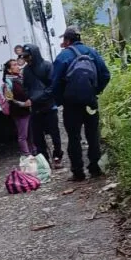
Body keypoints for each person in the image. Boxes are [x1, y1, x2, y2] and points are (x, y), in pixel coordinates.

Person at [51, 27, 110, 181]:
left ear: (68, 40)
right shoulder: (92, 52)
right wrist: (95, 91)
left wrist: (61, 101)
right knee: (93, 135)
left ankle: (78, 172)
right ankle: (95, 168)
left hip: (71, 105)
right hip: (90, 101)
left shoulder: (63, 56)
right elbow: (105, 74)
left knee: (74, 137)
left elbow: (55, 83)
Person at [21, 44, 63, 168]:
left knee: (55, 134)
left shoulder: (47, 66)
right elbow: (25, 87)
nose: (26, 59)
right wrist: (30, 97)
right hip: (35, 108)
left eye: (28, 56)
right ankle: (44, 160)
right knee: (38, 137)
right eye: (25, 57)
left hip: (49, 107)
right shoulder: (26, 70)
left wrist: (39, 97)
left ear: (34, 55)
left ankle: (57, 156)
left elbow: (52, 86)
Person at [2, 59, 33, 156]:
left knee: (31, 133)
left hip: (28, 111)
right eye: (14, 65)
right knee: (23, 135)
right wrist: (23, 104)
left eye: (17, 64)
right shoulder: (8, 82)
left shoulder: (20, 78)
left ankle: (34, 152)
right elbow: (9, 99)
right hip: (19, 112)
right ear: (9, 70)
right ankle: (27, 155)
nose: (17, 66)